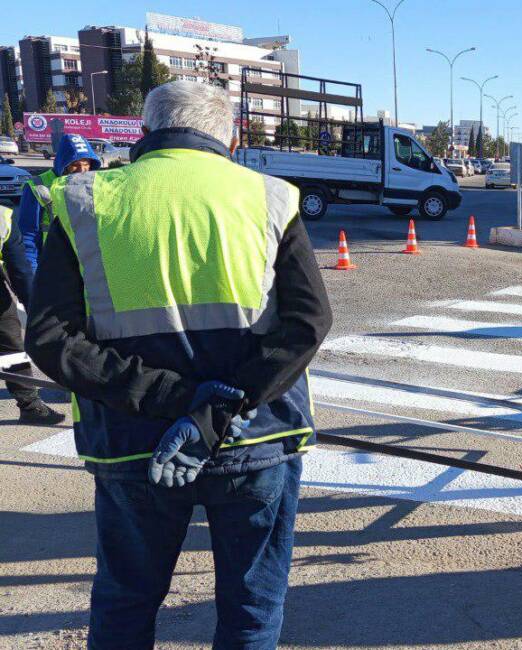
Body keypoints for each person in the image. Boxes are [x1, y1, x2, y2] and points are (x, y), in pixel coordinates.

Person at [26, 80, 333, 648]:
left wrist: (175, 402)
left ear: (145, 132)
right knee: (250, 609)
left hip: (130, 441)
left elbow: (49, 338)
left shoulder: (86, 201)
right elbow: (307, 324)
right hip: (255, 442)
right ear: (232, 137)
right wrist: (212, 412)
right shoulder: (271, 197)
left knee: (126, 604)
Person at [0, 204, 64, 423]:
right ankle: (30, 405)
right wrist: (34, 308)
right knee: (10, 345)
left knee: (11, 347)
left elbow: (20, 271)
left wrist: (34, 307)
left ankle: (30, 406)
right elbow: (20, 272)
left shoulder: (3, 217)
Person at [16, 134, 101, 274]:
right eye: (75, 164)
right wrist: (32, 272)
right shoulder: (37, 187)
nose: (82, 170)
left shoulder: (93, 183)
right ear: (63, 162)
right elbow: (28, 234)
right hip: (52, 264)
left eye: (86, 163)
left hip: (85, 264)